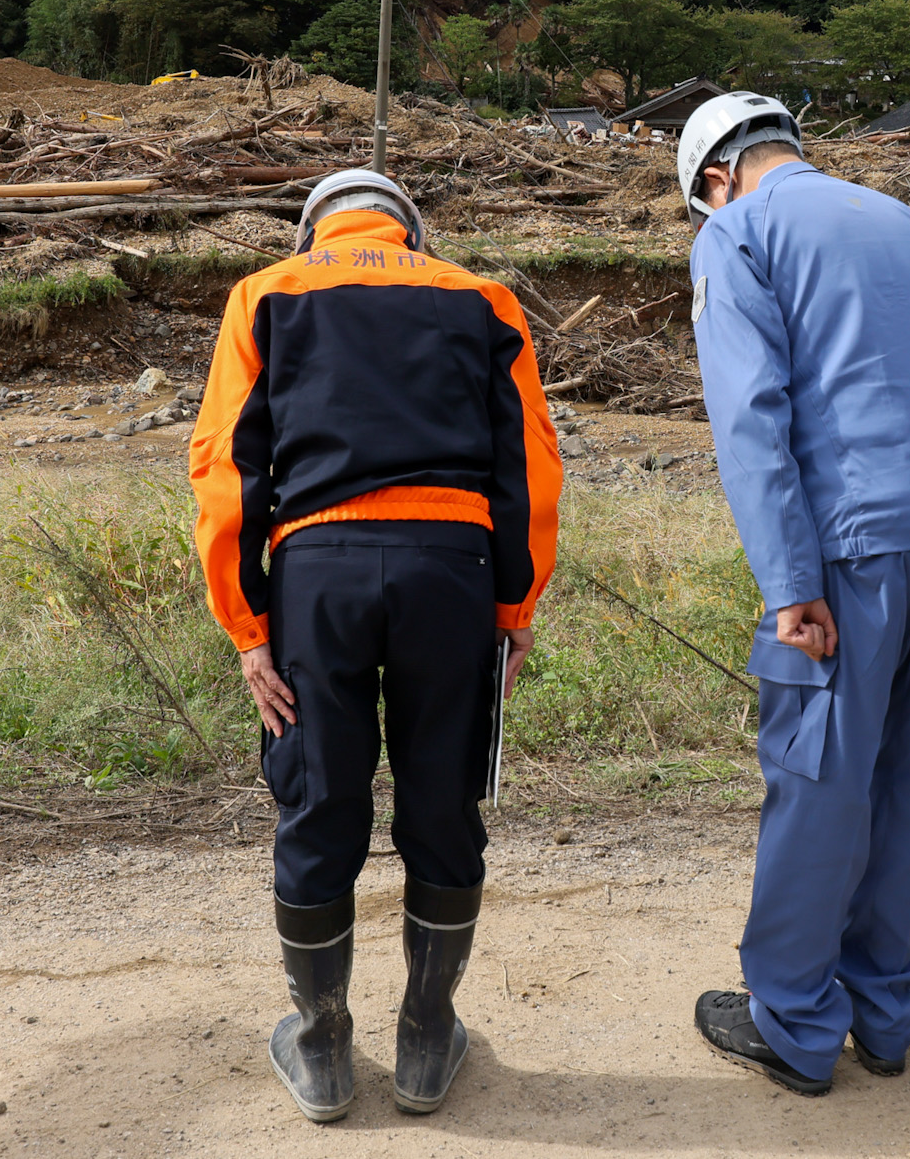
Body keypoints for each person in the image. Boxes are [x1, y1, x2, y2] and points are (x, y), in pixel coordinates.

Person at [188, 168, 563, 1124]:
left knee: (319, 800)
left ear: (316, 229)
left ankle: (320, 1049)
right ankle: (427, 1039)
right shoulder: (480, 298)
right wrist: (514, 603)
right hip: (453, 569)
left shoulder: (265, 293)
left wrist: (249, 626)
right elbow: (531, 460)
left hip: (321, 570)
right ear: (412, 234)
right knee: (442, 800)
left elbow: (227, 469)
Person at [677, 92, 910, 1095]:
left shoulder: (736, 235)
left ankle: (791, 1022)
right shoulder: (907, 226)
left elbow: (751, 415)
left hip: (851, 548)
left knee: (821, 779)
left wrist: (788, 582)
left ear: (711, 177)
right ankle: (881, 1012)